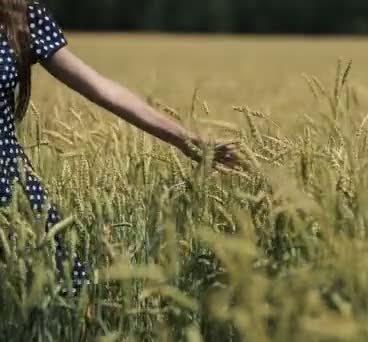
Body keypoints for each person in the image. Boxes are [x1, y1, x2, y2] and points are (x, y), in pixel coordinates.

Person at [0, 1, 242, 295]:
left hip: (10, 186)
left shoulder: (22, 17)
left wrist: (183, 138)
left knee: (65, 290)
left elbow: (101, 89)